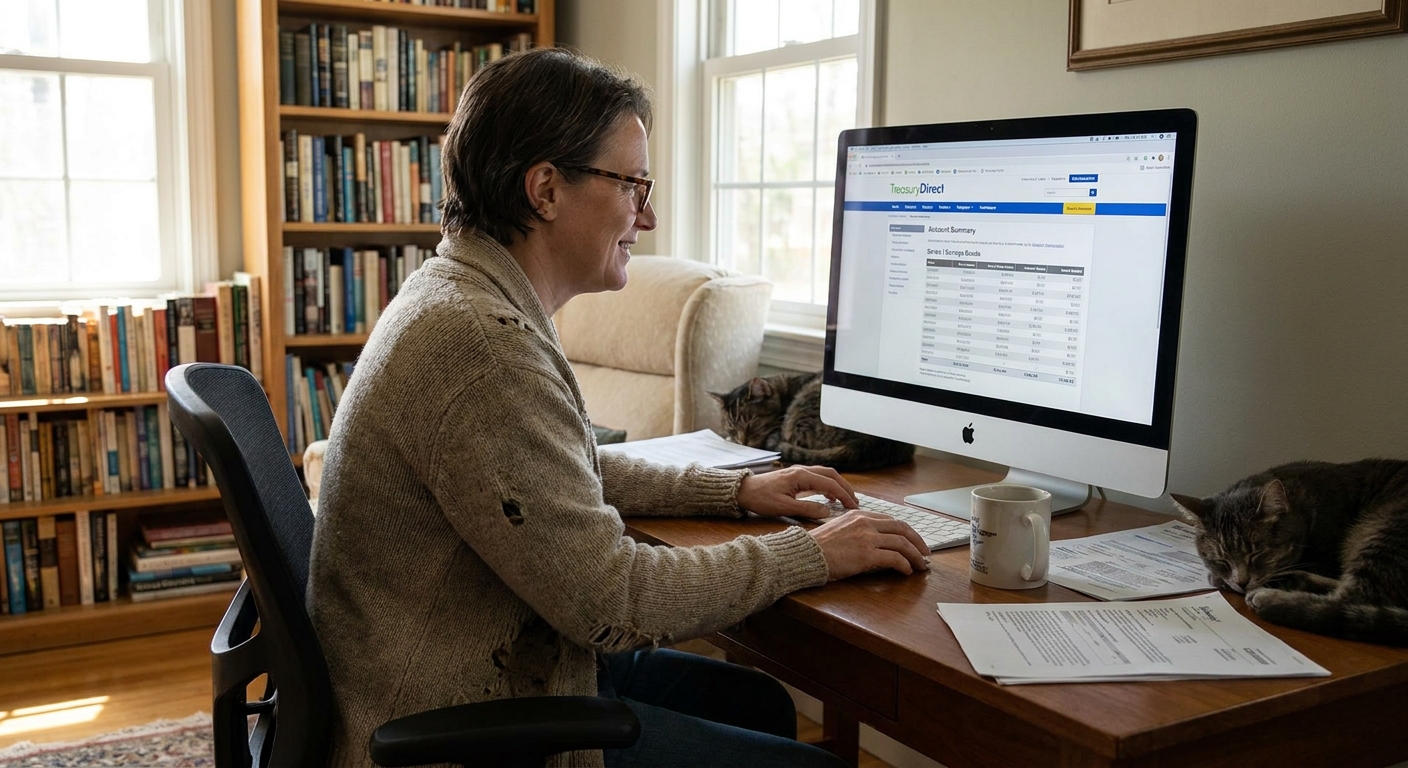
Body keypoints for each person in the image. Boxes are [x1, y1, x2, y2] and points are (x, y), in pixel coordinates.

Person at [307, 47, 929, 767]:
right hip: (459, 709)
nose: (651, 215)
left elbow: (554, 472)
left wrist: (734, 489)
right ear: (545, 189)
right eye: (633, 184)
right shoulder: (484, 347)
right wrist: (809, 553)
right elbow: (613, 601)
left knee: (757, 703)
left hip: (474, 659)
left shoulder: (461, 293)